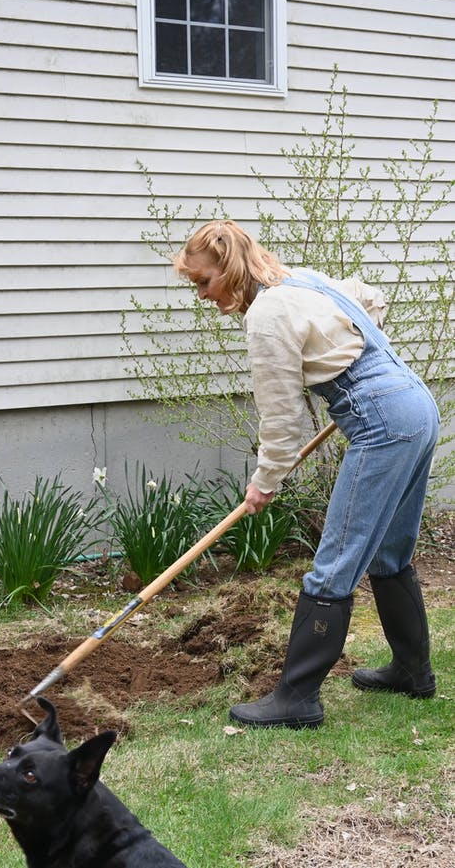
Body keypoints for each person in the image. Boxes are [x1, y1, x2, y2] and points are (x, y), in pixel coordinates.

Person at [173, 219, 440, 729]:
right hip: (415, 404)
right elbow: (369, 296)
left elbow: (281, 416)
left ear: (228, 268)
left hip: (384, 421)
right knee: (388, 552)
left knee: (335, 562)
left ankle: (297, 699)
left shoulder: (268, 314)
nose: (202, 294)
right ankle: (412, 671)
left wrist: (264, 481)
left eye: (203, 281)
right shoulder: (302, 281)